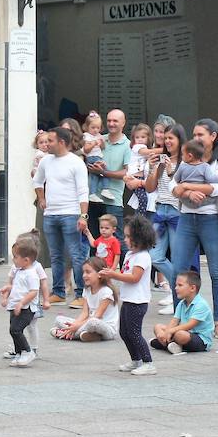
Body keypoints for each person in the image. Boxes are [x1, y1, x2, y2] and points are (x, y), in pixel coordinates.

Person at [170, 120, 218, 336]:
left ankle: (217, 321)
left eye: (200, 134)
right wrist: (186, 193)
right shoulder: (187, 155)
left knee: (216, 271)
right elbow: (172, 185)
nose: (196, 138)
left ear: (213, 136)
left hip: (212, 219)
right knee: (178, 269)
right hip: (187, 217)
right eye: (194, 134)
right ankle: (180, 317)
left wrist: (186, 186)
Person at [33, 127, 89, 305]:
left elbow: (83, 191)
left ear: (62, 142)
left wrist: (83, 216)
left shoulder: (76, 162)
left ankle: (81, 294)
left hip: (71, 214)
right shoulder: (46, 161)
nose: (47, 144)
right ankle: (58, 291)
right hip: (51, 214)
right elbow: (37, 180)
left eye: (50, 140)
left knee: (75, 254)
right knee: (55, 255)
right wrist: (41, 198)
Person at [98, 213, 155, 376]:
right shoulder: (130, 254)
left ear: (140, 238)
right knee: (124, 331)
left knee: (134, 332)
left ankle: (148, 362)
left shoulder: (143, 257)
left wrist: (113, 275)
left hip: (138, 301)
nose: (125, 239)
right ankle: (136, 360)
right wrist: (113, 273)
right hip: (128, 299)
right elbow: (126, 273)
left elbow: (134, 278)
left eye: (129, 237)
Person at [144, 121, 184, 308]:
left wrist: (171, 171)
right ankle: (178, 287)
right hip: (161, 209)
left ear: (179, 140)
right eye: (165, 138)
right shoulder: (160, 159)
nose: (167, 141)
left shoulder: (186, 162)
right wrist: (154, 169)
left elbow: (181, 187)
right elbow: (150, 188)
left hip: (177, 212)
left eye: (171, 138)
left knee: (177, 256)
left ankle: (179, 298)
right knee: (154, 255)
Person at [86, 110, 131, 238]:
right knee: (94, 240)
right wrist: (91, 167)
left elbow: (127, 172)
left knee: (117, 241)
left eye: (115, 121)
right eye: (109, 120)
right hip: (93, 197)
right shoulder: (99, 139)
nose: (111, 124)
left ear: (123, 123)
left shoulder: (128, 145)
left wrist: (103, 172)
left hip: (113, 200)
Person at [52, 257, 118, 342]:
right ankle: (85, 335)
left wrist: (76, 327)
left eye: (88, 272)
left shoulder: (106, 292)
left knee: (93, 322)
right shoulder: (86, 290)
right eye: (83, 272)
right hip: (86, 324)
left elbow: (97, 316)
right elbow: (85, 313)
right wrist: (75, 325)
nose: (84, 275)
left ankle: (65, 333)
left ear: (99, 274)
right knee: (59, 319)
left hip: (105, 328)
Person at [149, 270, 214, 354]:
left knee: (180, 335)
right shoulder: (182, 303)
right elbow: (174, 321)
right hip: (184, 332)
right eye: (176, 285)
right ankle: (171, 344)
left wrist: (170, 331)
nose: (176, 288)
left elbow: (189, 325)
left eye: (180, 285)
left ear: (192, 288)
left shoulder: (201, 304)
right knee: (158, 327)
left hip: (200, 339)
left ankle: (163, 343)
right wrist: (167, 331)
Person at [1, 235, 42, 368]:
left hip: (26, 308)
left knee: (16, 330)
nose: (13, 260)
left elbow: (33, 291)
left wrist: (21, 303)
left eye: (15, 257)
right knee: (12, 329)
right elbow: (18, 287)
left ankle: (28, 351)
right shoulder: (20, 271)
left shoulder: (31, 273)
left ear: (26, 260)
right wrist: (8, 289)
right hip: (15, 306)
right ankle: (19, 353)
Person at [84, 213, 122, 278]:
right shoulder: (100, 238)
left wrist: (113, 268)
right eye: (101, 228)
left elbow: (117, 255)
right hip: (98, 264)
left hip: (107, 266)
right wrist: (88, 234)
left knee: (105, 281)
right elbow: (93, 244)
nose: (103, 230)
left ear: (113, 230)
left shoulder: (114, 241)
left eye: (107, 228)